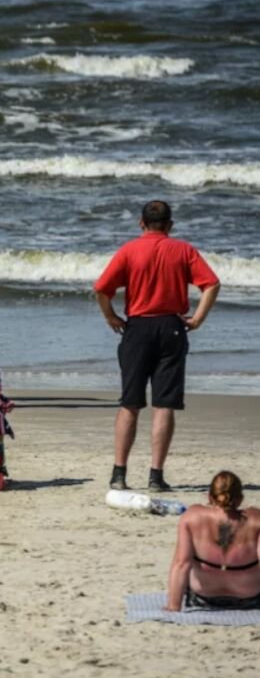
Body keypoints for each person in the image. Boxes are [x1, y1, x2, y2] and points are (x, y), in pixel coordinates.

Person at [94, 200, 220, 492]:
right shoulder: (183, 250)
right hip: (171, 327)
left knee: (130, 403)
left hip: (137, 327)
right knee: (163, 405)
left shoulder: (129, 250)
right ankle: (155, 475)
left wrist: (110, 316)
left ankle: (119, 473)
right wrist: (198, 318)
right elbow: (212, 284)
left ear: (142, 223)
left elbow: (101, 288)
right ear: (170, 225)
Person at [166, 471, 260, 611]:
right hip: (247, 597)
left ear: (210, 497)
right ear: (240, 499)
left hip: (204, 597)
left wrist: (173, 606)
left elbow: (181, 564)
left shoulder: (192, 517)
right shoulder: (256, 520)